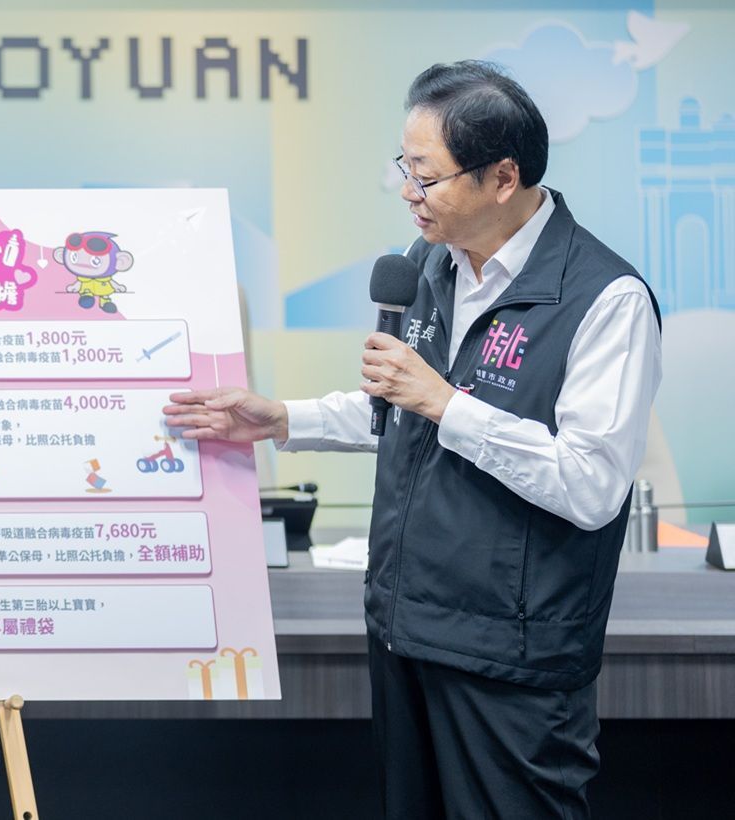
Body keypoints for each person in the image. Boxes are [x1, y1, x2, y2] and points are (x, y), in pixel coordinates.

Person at [165, 61, 661, 818]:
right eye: (405, 168)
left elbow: (590, 486)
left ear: (503, 178)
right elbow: (403, 414)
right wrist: (283, 419)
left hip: (512, 659)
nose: (408, 192)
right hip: (404, 628)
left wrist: (446, 403)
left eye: (426, 176)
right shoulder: (429, 265)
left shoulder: (605, 299)